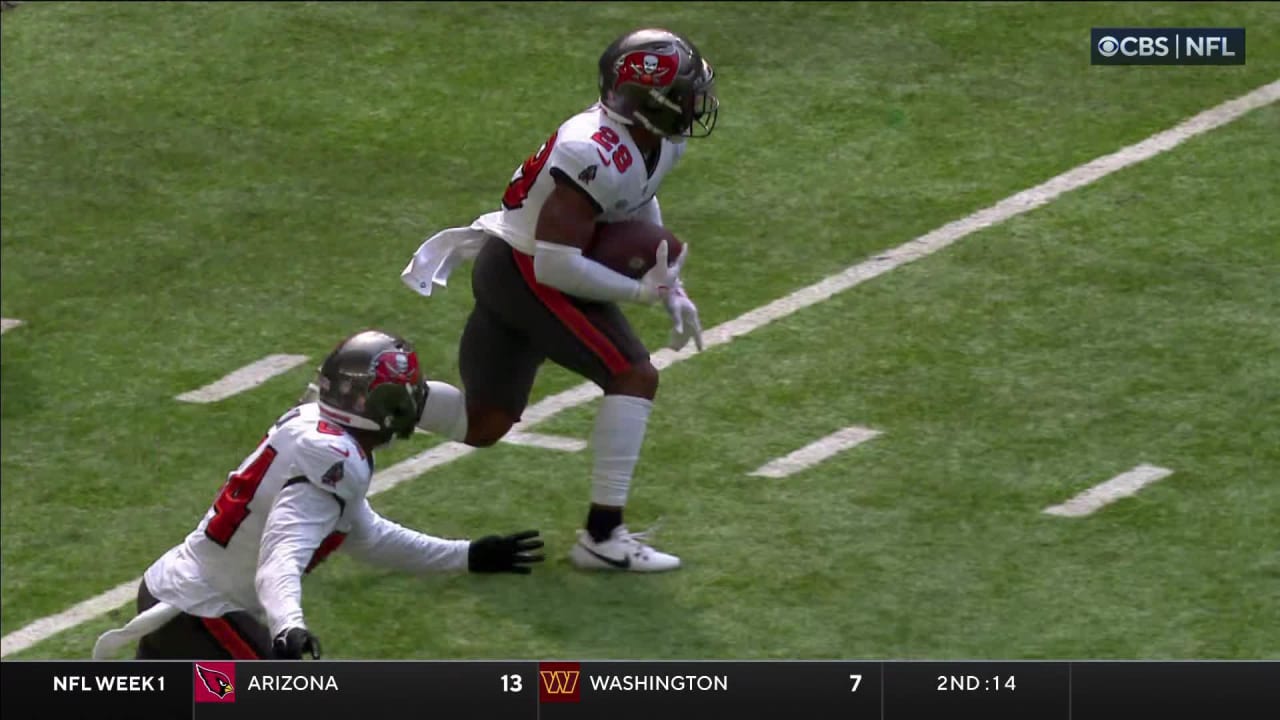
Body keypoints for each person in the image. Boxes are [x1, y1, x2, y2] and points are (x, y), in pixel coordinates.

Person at [398, 28, 718, 573]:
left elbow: (639, 196)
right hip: (526, 273)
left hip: (525, 267)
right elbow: (554, 263)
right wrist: (641, 291)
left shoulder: (655, 138)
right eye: (683, 93)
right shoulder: (590, 151)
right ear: (648, 101)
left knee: (484, 422)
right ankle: (602, 535)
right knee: (634, 375)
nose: (696, 103)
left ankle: (367, 400)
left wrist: (670, 281)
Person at [93, 330, 544, 660]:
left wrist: (467, 556)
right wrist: (289, 625)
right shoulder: (335, 456)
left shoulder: (316, 428)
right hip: (198, 612)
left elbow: (365, 534)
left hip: (178, 599)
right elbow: (281, 556)